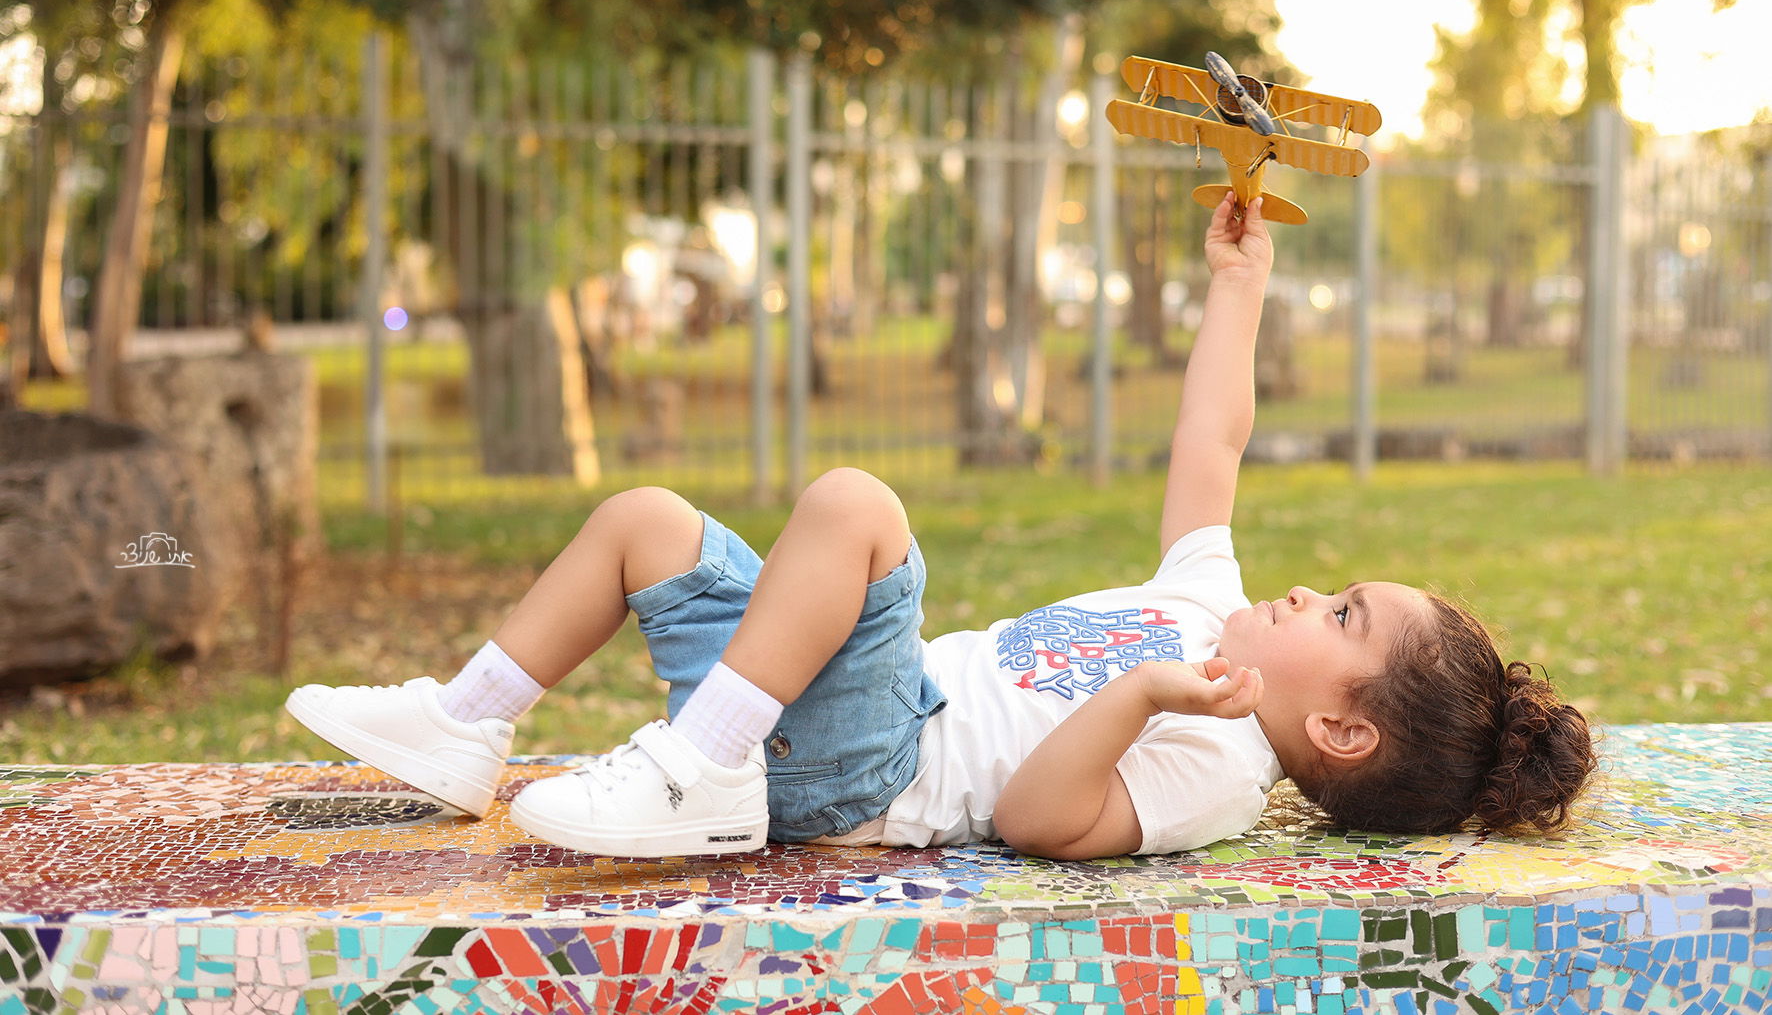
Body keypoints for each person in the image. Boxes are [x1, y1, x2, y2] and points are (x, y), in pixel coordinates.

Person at [285, 192, 1596, 860]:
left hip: (877, 767)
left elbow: (1039, 817)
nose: (1312, 594)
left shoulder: (1219, 767)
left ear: (1343, 728)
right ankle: (468, 725)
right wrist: (1240, 284)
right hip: (820, 713)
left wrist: (1143, 695)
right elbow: (1215, 439)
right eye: (1337, 587)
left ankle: (703, 770)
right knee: (645, 519)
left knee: (859, 504)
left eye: (1344, 616)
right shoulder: (1204, 604)